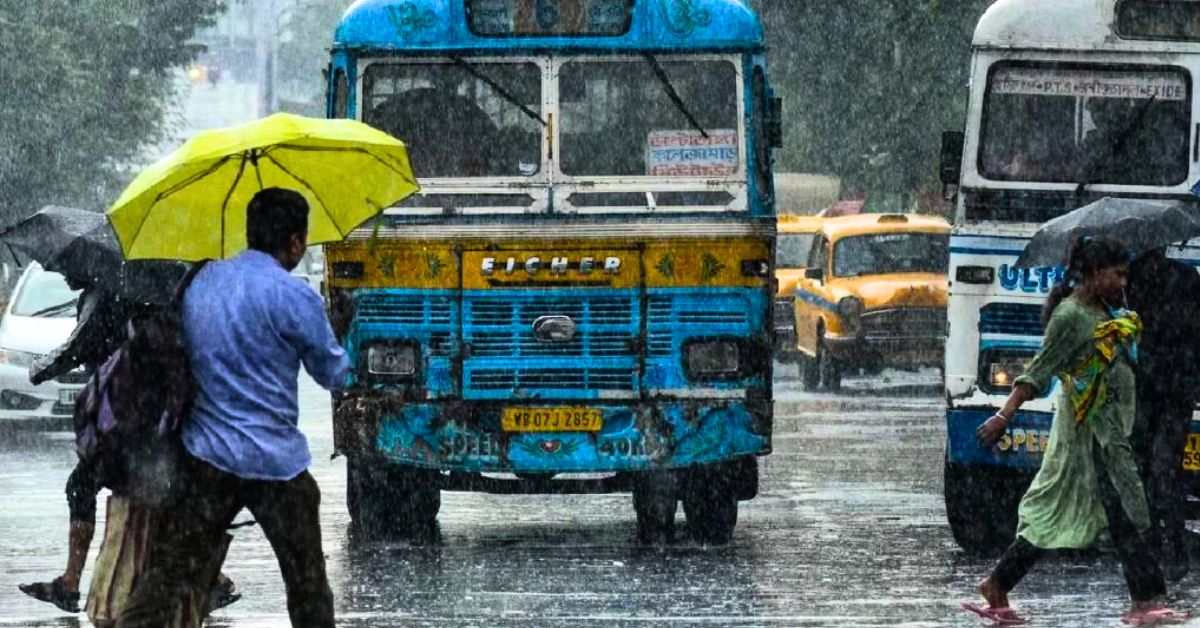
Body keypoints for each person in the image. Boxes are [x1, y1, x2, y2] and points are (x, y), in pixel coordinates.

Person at [115, 188, 349, 628]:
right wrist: (340, 330)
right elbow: (334, 375)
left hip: (207, 459)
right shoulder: (295, 297)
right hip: (276, 463)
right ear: (296, 242)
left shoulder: (201, 283)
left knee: (169, 575)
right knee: (307, 586)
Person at [963, 236, 1186, 626]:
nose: (1122, 282)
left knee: (1103, 510)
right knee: (1117, 509)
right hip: (1088, 435)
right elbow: (1038, 371)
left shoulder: (1107, 310)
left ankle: (999, 583)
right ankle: (1146, 599)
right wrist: (1003, 417)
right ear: (1095, 274)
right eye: (1117, 274)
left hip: (1110, 431)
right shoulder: (1068, 317)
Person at [18, 267, 239, 620]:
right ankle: (213, 579)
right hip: (155, 416)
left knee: (87, 487)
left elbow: (79, 346)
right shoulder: (151, 294)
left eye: (66, 270)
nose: (64, 277)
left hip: (123, 419)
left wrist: (41, 369)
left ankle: (73, 583)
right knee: (164, 494)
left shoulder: (104, 295)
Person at [1126, 246, 1200, 581]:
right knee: (1153, 466)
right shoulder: (1136, 279)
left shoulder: (1175, 278)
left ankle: (1165, 542)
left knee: (1157, 466)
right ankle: (1161, 542)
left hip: (1166, 386)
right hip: (1159, 386)